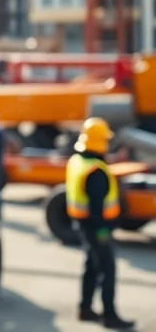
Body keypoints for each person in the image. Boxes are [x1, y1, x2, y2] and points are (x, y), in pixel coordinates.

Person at [66, 118, 134, 329]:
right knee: (107, 269)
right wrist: (103, 230)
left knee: (91, 265)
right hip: (97, 228)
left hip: (82, 223)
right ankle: (110, 315)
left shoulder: (77, 161)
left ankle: (85, 308)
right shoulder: (96, 170)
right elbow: (97, 207)